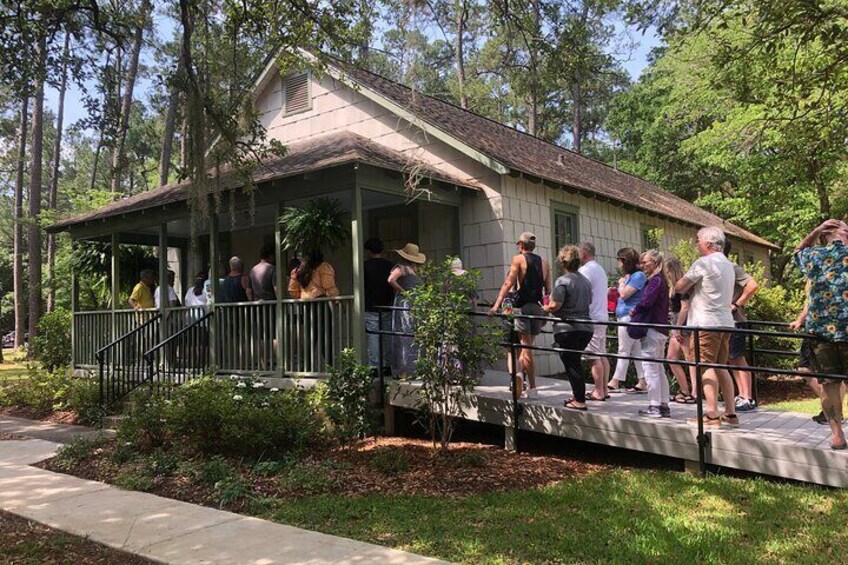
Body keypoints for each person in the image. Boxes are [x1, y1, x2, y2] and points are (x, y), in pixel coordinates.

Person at [674, 226, 738, 427]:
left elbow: (679, 287)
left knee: (705, 365)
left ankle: (711, 414)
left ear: (708, 244)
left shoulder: (704, 263)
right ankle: (730, 413)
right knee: (721, 366)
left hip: (705, 323)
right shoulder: (728, 264)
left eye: (698, 240)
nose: (696, 244)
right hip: (725, 322)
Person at [794, 219, 848, 449]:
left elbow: (798, 250)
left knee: (829, 385)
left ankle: (837, 435)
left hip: (820, 333)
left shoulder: (813, 256)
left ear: (825, 236)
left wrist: (815, 231)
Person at [489, 232, 552, 397]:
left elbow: (508, 283)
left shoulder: (517, 260)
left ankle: (528, 385)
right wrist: (546, 313)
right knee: (526, 348)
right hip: (537, 308)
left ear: (521, 245)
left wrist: (496, 305)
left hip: (521, 308)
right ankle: (523, 381)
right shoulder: (544, 263)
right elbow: (548, 291)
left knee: (520, 349)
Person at [543, 245, 594, 410]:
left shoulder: (562, 281)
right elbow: (589, 302)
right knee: (575, 361)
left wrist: (545, 307)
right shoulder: (585, 281)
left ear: (562, 262)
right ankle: (576, 396)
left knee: (572, 364)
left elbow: (555, 306)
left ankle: (579, 401)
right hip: (586, 328)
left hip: (568, 328)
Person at [630, 250, 671, 418]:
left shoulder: (655, 280)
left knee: (650, 368)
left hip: (652, 329)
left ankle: (654, 405)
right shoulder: (662, 281)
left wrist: (635, 309)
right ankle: (663, 404)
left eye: (645, 262)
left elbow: (646, 301)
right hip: (661, 329)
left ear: (654, 262)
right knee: (659, 368)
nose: (643, 265)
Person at [723, 241, 760, 412]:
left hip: (736, 320)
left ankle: (748, 397)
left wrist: (736, 304)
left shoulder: (731, 267)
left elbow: (752, 285)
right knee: (731, 358)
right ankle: (741, 394)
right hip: (725, 321)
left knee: (738, 358)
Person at [608, 247, 647, 393]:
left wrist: (621, 285)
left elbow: (624, 295)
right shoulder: (631, 276)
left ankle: (616, 380)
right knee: (636, 350)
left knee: (623, 348)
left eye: (619, 260)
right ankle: (642, 380)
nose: (618, 264)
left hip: (629, 317)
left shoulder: (638, 276)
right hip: (624, 315)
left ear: (625, 261)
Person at [577, 242, 610, 401]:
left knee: (592, 355)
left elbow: (580, 291)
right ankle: (604, 390)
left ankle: (598, 391)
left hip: (592, 317)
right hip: (602, 316)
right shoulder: (599, 269)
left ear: (584, 254)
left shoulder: (585, 270)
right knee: (601, 353)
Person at [389, 243, 425, 377]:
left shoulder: (414, 270)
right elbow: (391, 280)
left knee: (415, 333)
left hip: (416, 303)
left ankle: (415, 367)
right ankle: (404, 369)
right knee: (405, 332)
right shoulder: (401, 268)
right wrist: (404, 292)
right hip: (406, 303)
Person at [665, 258, 696, 404]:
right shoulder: (673, 287)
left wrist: (678, 326)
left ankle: (695, 392)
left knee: (689, 358)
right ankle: (684, 390)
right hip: (674, 322)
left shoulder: (682, 286)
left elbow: (685, 307)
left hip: (681, 323)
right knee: (671, 358)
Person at [364, 238, 395, 370]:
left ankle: (375, 367)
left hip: (371, 305)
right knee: (387, 336)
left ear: (369, 251)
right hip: (387, 304)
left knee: (373, 337)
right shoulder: (390, 265)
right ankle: (388, 365)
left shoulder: (364, 266)